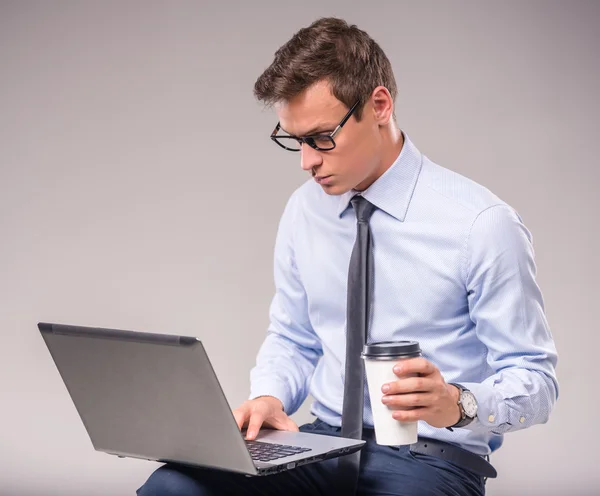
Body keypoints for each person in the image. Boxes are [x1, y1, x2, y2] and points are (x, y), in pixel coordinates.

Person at [137, 17, 558, 496]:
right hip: (323, 444)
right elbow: (293, 337)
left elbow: (535, 380)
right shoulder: (304, 211)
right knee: (172, 488)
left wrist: (458, 402)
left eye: (320, 137)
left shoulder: (481, 224)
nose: (307, 160)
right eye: (294, 140)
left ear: (379, 105)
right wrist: (270, 396)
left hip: (431, 458)